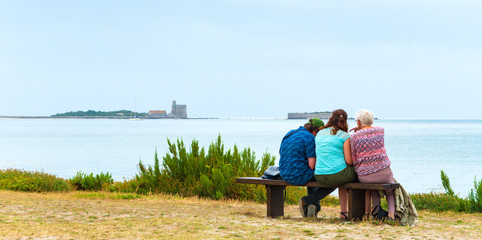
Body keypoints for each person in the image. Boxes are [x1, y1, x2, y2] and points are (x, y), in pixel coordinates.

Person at [279, 118, 336, 218]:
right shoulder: (310, 138)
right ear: (315, 131)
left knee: (311, 173)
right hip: (298, 175)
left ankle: (312, 208)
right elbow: (312, 165)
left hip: (284, 173)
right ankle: (309, 201)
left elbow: (281, 153)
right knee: (334, 180)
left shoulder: (290, 133)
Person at [349, 109, 396, 220]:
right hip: (384, 173)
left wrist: (357, 132)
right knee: (390, 191)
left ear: (359, 122)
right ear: (371, 121)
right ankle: (391, 215)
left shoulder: (354, 137)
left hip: (365, 177)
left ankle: (375, 212)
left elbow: (354, 159)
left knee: (373, 188)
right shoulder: (380, 131)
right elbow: (370, 132)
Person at [314, 109, 358, 220]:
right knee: (358, 175)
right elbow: (349, 161)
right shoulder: (344, 136)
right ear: (345, 121)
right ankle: (356, 212)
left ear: (331, 118)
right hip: (336, 176)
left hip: (319, 175)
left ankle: (344, 212)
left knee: (341, 177)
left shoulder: (319, 133)